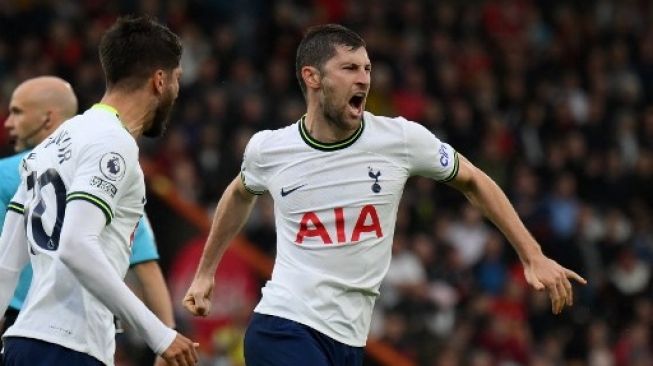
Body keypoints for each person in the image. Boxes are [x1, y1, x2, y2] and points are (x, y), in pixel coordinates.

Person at [183, 24, 587, 365]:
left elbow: (474, 180)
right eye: (349, 68)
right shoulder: (269, 149)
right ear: (312, 77)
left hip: (349, 339)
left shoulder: (401, 139)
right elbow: (238, 193)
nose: (364, 78)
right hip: (284, 326)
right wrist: (205, 271)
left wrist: (532, 255)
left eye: (367, 68)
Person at [0, 16, 197, 366]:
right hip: (69, 346)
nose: (177, 91)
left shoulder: (49, 146)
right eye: (177, 80)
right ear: (160, 80)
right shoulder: (112, 143)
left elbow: (6, 264)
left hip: (22, 343)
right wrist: (160, 334)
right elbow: (76, 246)